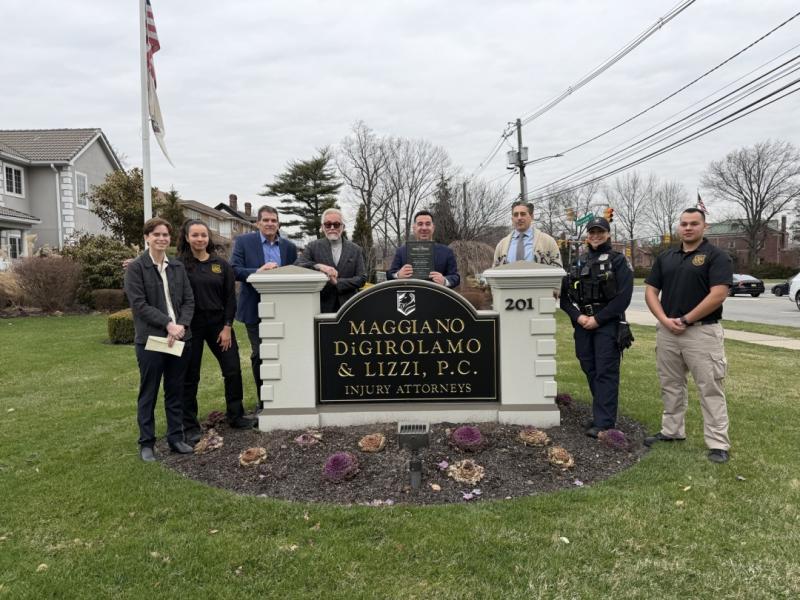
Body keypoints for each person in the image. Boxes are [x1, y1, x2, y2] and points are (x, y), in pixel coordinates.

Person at [644, 207, 733, 463]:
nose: (688, 228)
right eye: (684, 223)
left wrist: (686, 319)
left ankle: (718, 443)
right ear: (678, 227)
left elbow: (718, 294)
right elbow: (651, 291)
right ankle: (672, 431)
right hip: (668, 332)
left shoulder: (717, 256)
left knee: (710, 388)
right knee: (670, 385)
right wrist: (664, 320)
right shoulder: (666, 257)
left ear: (705, 227)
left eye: (694, 223)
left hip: (702, 332)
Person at [176, 219, 255, 444]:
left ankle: (236, 415)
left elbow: (230, 298)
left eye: (203, 235)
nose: (200, 239)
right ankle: (190, 426)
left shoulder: (221, 265)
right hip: (191, 326)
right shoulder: (178, 265)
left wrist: (227, 326)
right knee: (190, 376)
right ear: (187, 237)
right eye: (195, 235)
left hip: (219, 325)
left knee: (232, 370)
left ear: (208, 238)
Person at [124, 217, 195, 461]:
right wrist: (168, 324)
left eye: (165, 234)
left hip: (179, 338)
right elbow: (139, 304)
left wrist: (181, 326)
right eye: (156, 234)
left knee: (175, 391)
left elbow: (189, 300)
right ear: (147, 238)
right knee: (149, 392)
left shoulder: (177, 267)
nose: (161, 238)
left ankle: (176, 438)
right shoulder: (136, 268)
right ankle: (146, 443)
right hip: (151, 340)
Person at [560, 216, 633, 437]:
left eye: (600, 231)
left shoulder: (618, 261)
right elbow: (564, 299)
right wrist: (579, 317)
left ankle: (605, 423)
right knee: (589, 368)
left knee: (605, 371)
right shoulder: (578, 262)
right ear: (587, 235)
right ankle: (601, 414)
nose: (596, 235)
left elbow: (623, 298)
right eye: (592, 232)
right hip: (583, 323)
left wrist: (598, 319)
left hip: (607, 323)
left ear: (608, 234)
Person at [230, 205, 297, 410]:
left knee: (285, 353)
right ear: (258, 223)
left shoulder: (289, 247)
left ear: (278, 224)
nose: (270, 224)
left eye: (273, 220)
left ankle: (286, 396)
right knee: (261, 354)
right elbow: (234, 270)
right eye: (266, 220)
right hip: (254, 308)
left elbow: (296, 273)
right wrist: (258, 272)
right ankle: (265, 401)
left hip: (284, 310)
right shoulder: (244, 242)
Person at [295, 207, 367, 312]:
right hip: (320, 306)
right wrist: (318, 266)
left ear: (343, 227)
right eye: (328, 224)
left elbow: (361, 278)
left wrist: (338, 283)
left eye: (336, 224)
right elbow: (298, 265)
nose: (332, 228)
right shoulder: (313, 247)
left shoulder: (355, 249)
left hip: (349, 307)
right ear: (322, 227)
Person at [386, 210, 460, 287]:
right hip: (410, 294)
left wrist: (444, 281)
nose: (424, 228)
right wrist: (398, 275)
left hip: (436, 294)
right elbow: (390, 275)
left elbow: (455, 277)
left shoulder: (446, 252)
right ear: (414, 228)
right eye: (420, 224)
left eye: (428, 224)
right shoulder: (401, 251)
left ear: (433, 227)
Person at [493, 200, 563, 268]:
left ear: (532, 217)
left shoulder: (548, 242)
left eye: (523, 214)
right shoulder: (501, 245)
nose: (519, 218)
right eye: (516, 215)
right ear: (512, 218)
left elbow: (558, 269)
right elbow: (494, 271)